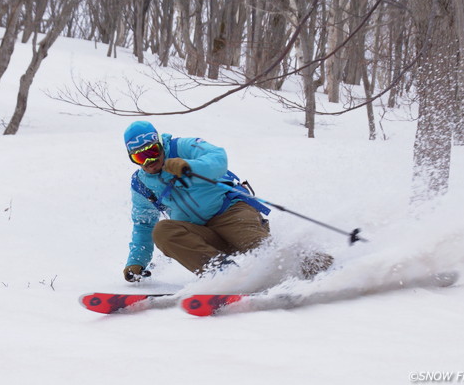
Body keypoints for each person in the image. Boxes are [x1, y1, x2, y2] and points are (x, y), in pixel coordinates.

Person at [122, 121, 333, 283]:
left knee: (263, 253)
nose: (150, 162)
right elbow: (144, 224)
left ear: (159, 145)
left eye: (152, 152)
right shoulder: (141, 184)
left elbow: (218, 159)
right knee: (162, 231)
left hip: (230, 212)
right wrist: (136, 262)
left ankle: (320, 266)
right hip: (200, 234)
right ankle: (224, 274)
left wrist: (189, 166)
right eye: (141, 158)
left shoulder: (183, 147)